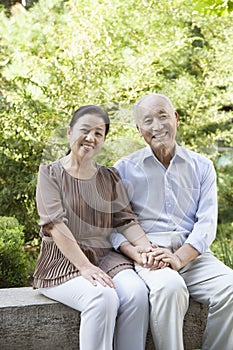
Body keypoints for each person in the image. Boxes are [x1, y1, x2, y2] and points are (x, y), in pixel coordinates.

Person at [111, 94, 233, 350]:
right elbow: (114, 228)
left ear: (175, 119)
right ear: (139, 129)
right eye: (148, 121)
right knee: (169, 288)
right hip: (151, 257)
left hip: (196, 257)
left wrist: (179, 258)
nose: (157, 127)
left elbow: (206, 224)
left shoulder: (202, 166)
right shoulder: (123, 169)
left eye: (163, 116)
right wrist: (140, 253)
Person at [33, 105, 153, 350]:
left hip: (106, 258)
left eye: (99, 133)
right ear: (69, 132)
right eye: (85, 130)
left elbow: (126, 221)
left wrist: (148, 249)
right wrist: (84, 266)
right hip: (63, 262)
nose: (91, 138)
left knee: (137, 294)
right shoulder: (50, 173)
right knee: (102, 297)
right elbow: (55, 225)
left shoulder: (109, 177)